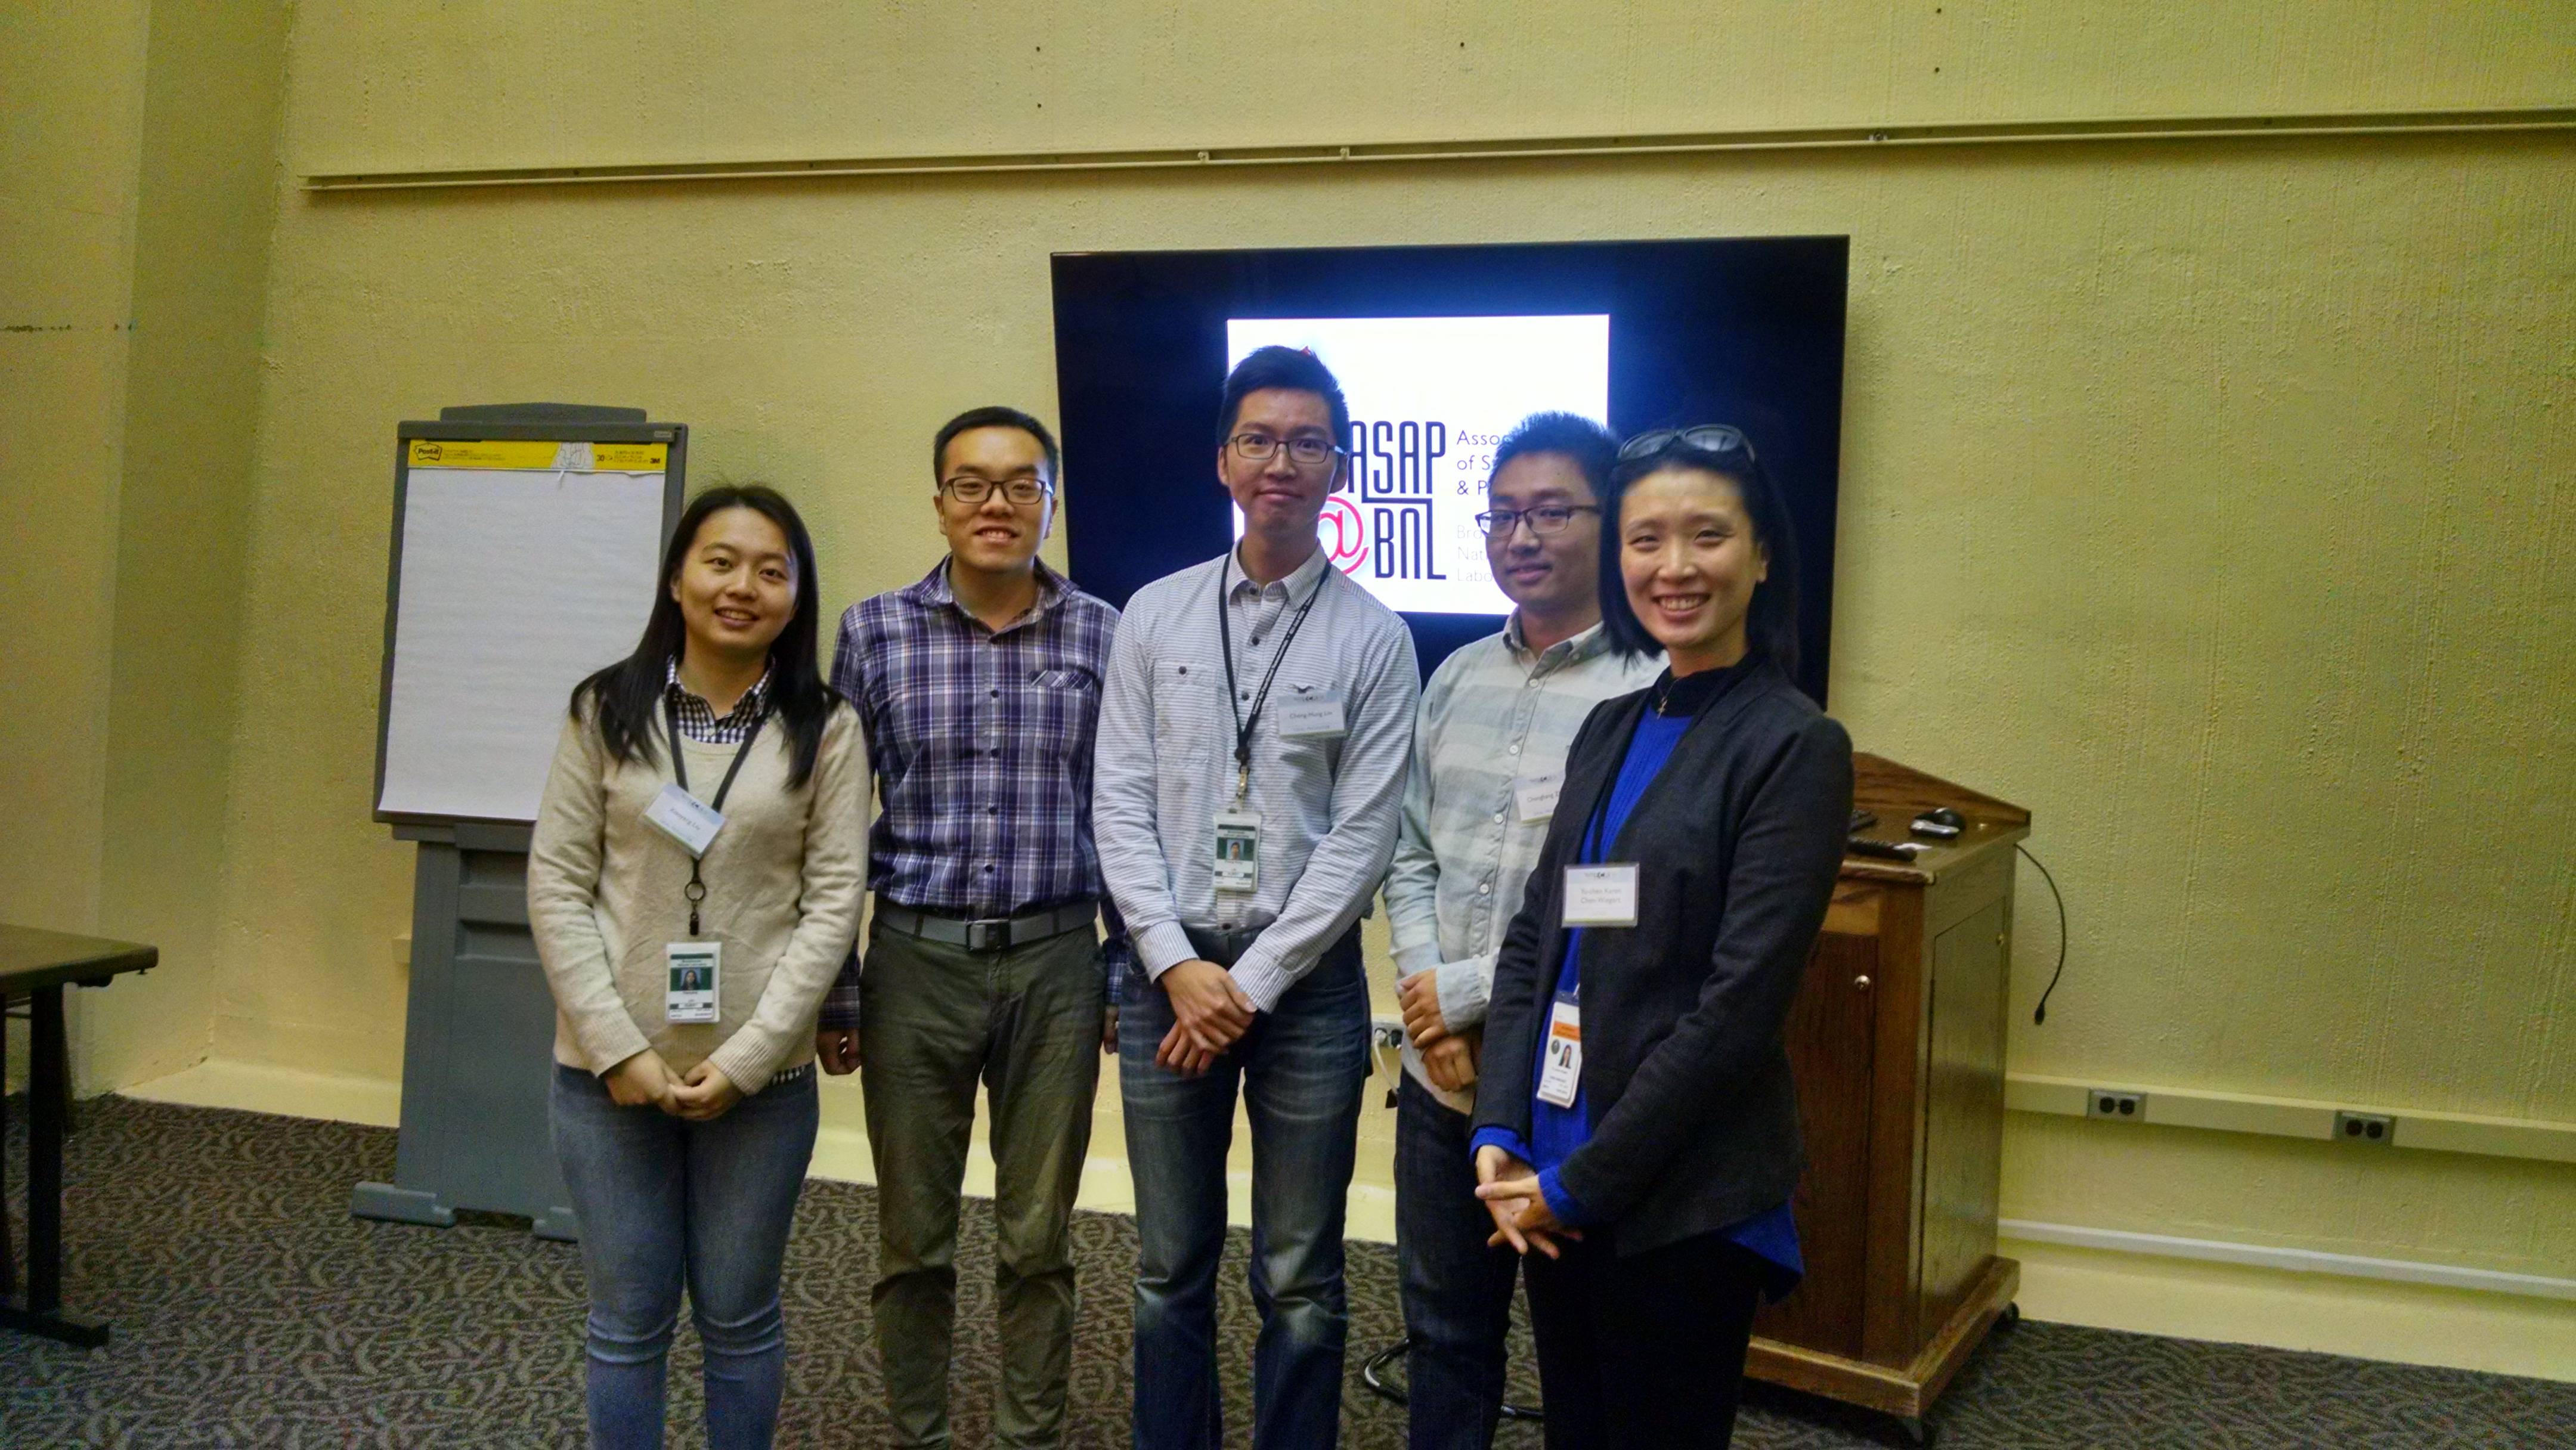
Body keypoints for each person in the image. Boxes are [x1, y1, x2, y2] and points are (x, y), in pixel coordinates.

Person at [1470, 426, 1852, 1449]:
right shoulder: (1612, 726)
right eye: (1646, 540)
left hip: (1674, 1193)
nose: (1673, 567)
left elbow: (1737, 1013)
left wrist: (1577, 1187)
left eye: (1707, 536)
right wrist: (1498, 1129)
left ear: (1762, 556)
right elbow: (1533, 942)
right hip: (1550, 1164)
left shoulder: (1795, 745)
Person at [1093, 345, 1420, 1448]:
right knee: (1166, 1265)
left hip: (1309, 989)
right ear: (1224, 461)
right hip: (1167, 978)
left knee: (1300, 1276)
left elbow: (1365, 834)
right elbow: (1118, 800)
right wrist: (1174, 962)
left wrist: (1252, 980)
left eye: (1307, 443)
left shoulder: (1376, 637)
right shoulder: (1154, 614)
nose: (1282, 461)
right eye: (1259, 439)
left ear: (1339, 467)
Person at [528, 485, 869, 1450]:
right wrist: (618, 1049)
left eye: (771, 571)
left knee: (740, 1317)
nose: (742, 587)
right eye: (720, 562)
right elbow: (557, 885)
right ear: (677, 578)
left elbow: (833, 905)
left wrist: (750, 1060)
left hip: (762, 1084)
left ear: (796, 598)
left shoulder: (827, 727)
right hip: (607, 1079)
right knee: (628, 1321)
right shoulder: (606, 709)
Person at [815, 406, 1124, 1450]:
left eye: (1021, 484)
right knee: (914, 1239)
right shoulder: (873, 631)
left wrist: (1122, 969)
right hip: (915, 964)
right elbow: (832, 821)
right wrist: (840, 986)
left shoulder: (1103, 633)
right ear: (940, 502)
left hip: (1056, 964)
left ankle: (1029, 1435)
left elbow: (1123, 812)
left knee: (1039, 1239)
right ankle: (919, 1432)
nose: (997, 504)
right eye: (972, 484)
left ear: (1051, 503)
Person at [1380, 413, 1661, 1450]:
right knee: (1444, 1331)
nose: (1521, 537)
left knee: (1583, 1349)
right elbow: (1409, 855)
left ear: (1609, 519)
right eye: (1501, 515)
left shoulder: (1650, 689)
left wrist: (1466, 993)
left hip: (1569, 1080)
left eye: (1551, 512)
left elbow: (1619, 897)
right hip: (1442, 1075)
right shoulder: (1457, 676)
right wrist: (1431, 1006)